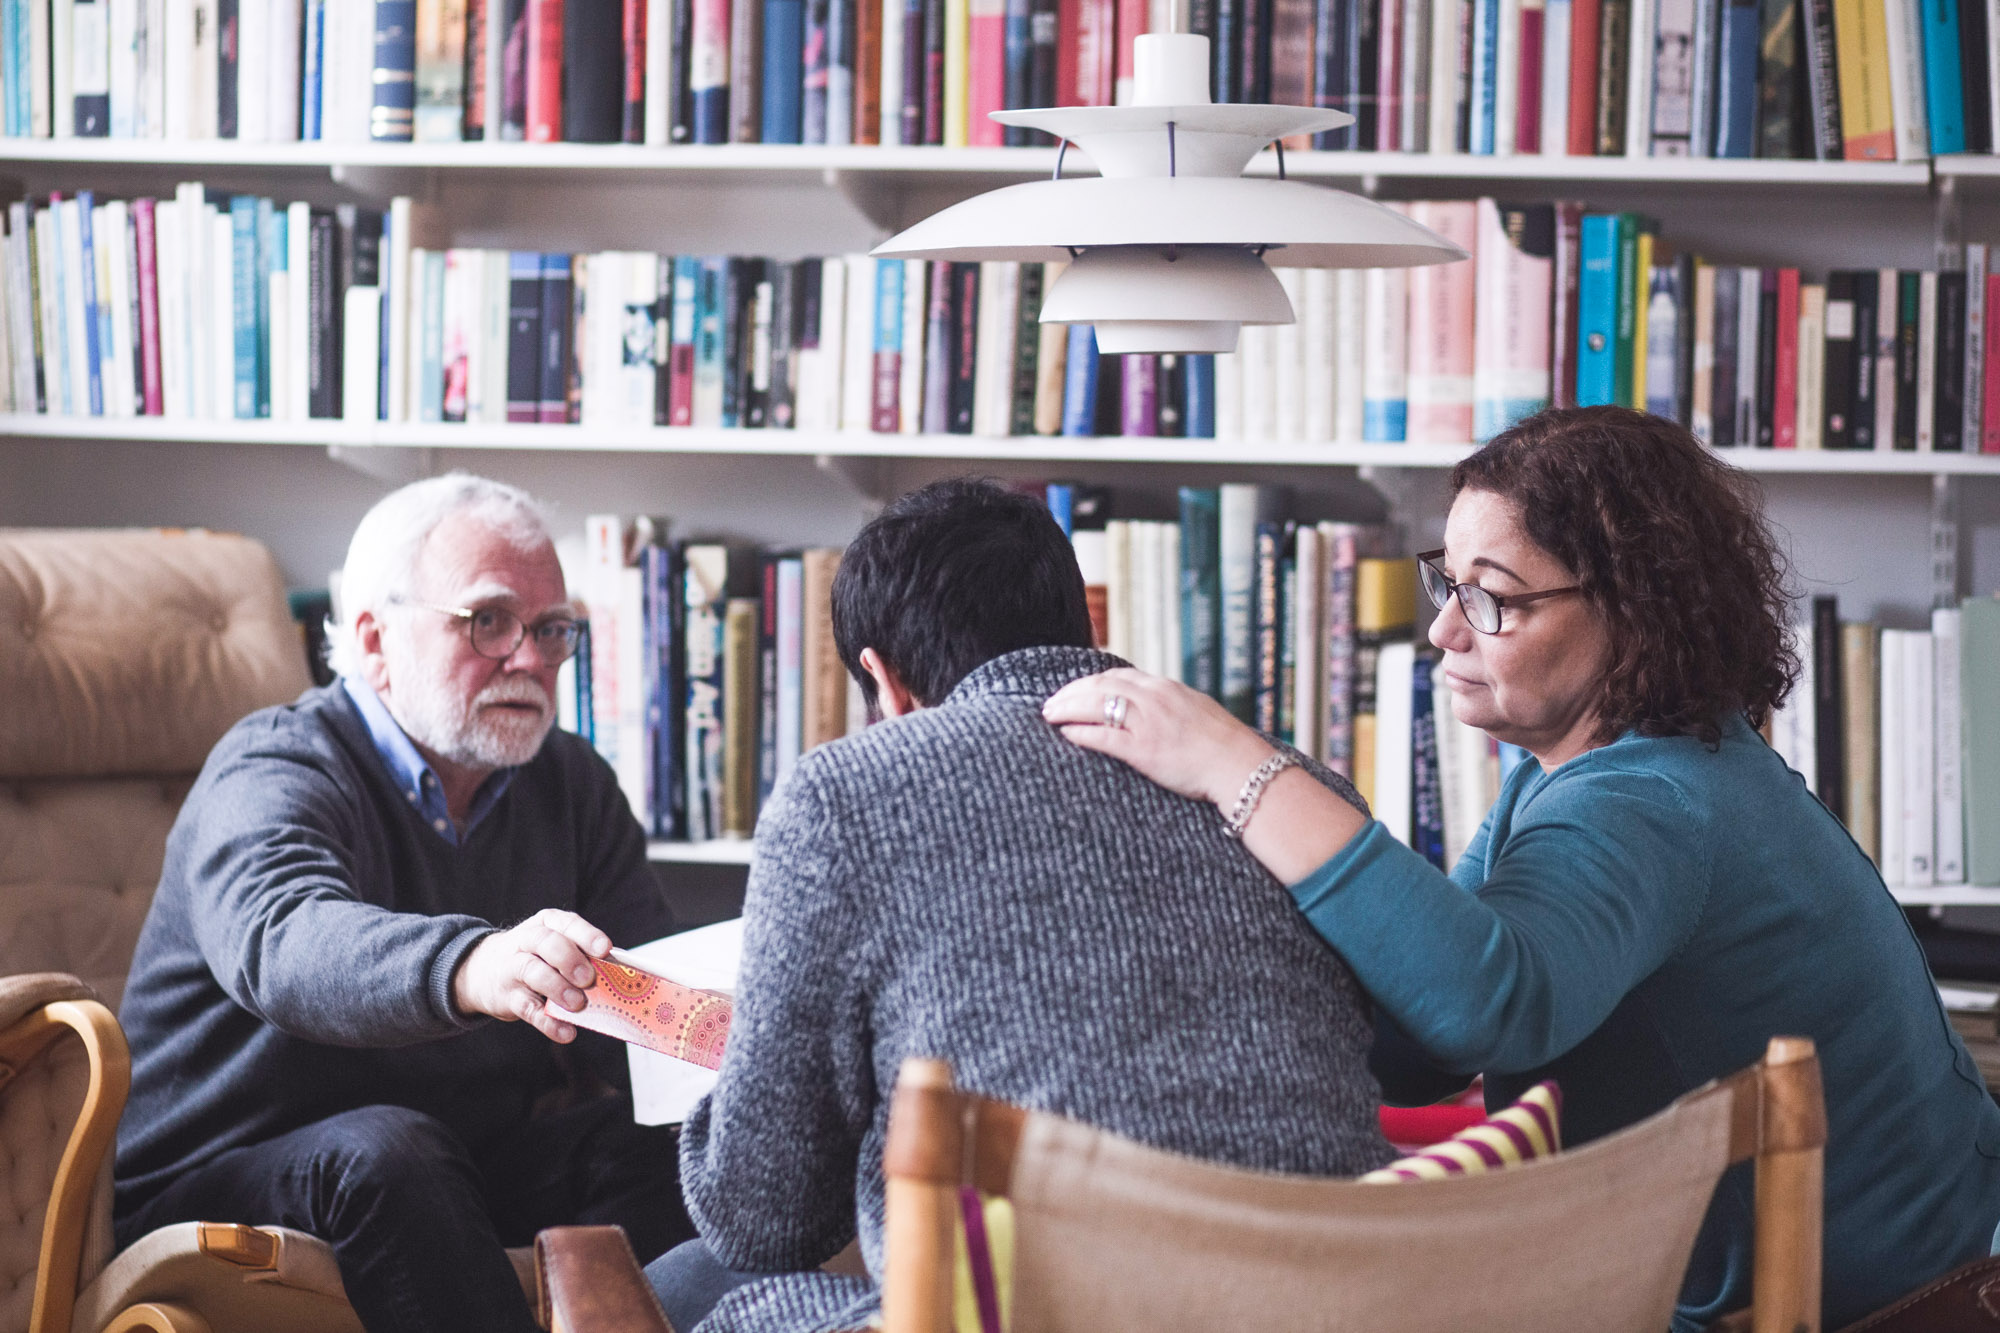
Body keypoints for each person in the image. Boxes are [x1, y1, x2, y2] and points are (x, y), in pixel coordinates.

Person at [1042, 404, 2000, 1330]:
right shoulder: (1595, 771)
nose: (1444, 633)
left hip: (1890, 1310)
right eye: (1447, 582)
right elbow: (1429, 1047)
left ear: (1632, 610)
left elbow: (1481, 1004)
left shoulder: (1651, 800)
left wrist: (1232, 763)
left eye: (1492, 597)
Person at [648, 477, 1394, 1333]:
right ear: (1081, 629)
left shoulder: (844, 795)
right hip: (1328, 1303)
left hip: (1049, 1311)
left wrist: (750, 1060)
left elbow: (761, 1217)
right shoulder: (1289, 794)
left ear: (882, 684)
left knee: (710, 1300)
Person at [115, 474, 695, 1333]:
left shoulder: (569, 784)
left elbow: (645, 1006)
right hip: (217, 1180)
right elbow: (282, 938)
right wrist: (472, 963)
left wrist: (746, 1048)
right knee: (385, 1151)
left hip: (452, 1163)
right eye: (488, 621)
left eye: (551, 629)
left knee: (680, 1146)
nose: (531, 659)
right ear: (375, 638)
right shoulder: (273, 765)